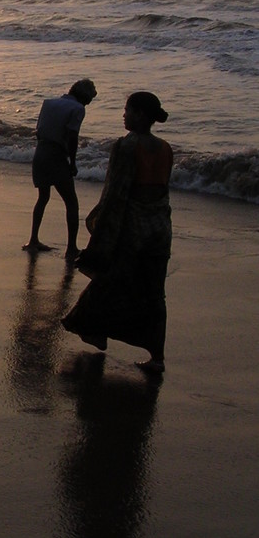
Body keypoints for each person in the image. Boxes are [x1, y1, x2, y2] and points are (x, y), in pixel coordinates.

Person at [62, 91, 173, 375]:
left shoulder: (126, 147)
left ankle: (95, 332)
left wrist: (99, 228)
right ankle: (157, 357)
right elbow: (161, 192)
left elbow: (116, 193)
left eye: (128, 111)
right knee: (154, 294)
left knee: (107, 281)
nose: (124, 115)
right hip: (160, 230)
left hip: (132, 230)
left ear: (141, 115)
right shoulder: (165, 148)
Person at [23, 78, 97, 260]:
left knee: (43, 197)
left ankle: (33, 239)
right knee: (71, 202)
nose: (90, 102)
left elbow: (39, 130)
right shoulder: (78, 109)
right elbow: (72, 137)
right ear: (84, 96)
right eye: (90, 98)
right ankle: (71, 248)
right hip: (56, 154)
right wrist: (72, 162)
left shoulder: (49, 103)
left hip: (40, 152)